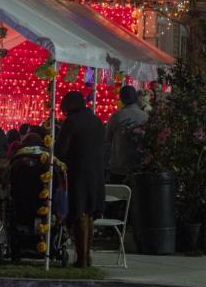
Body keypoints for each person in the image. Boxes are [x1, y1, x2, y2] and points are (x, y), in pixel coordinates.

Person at [55, 91, 106, 268]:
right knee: (90, 213)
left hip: (78, 172)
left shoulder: (72, 122)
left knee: (80, 212)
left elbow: (61, 150)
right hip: (97, 173)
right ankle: (87, 255)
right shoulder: (97, 121)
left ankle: (82, 259)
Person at [105, 85, 149, 184]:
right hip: (139, 166)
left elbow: (107, 139)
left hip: (119, 166)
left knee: (118, 196)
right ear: (136, 98)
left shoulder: (116, 116)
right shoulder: (145, 116)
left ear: (121, 99)